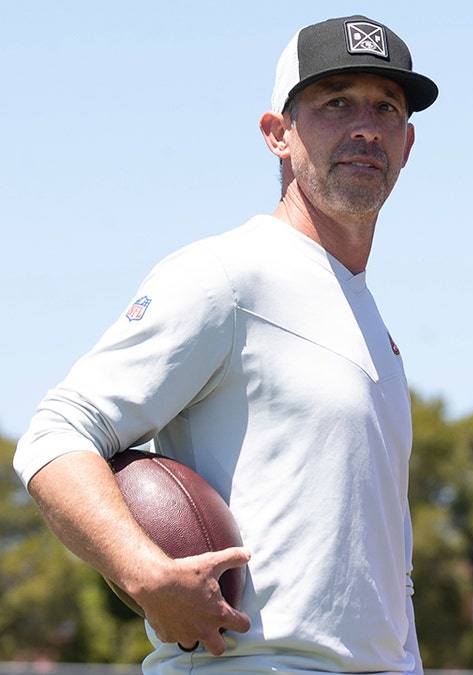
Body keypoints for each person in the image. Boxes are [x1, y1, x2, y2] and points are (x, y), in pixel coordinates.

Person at [13, 14, 437, 674]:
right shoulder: (225, 276)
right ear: (278, 134)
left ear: (407, 144)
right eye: (336, 103)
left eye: (386, 107)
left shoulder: (372, 326)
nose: (365, 126)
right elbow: (56, 434)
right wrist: (143, 570)